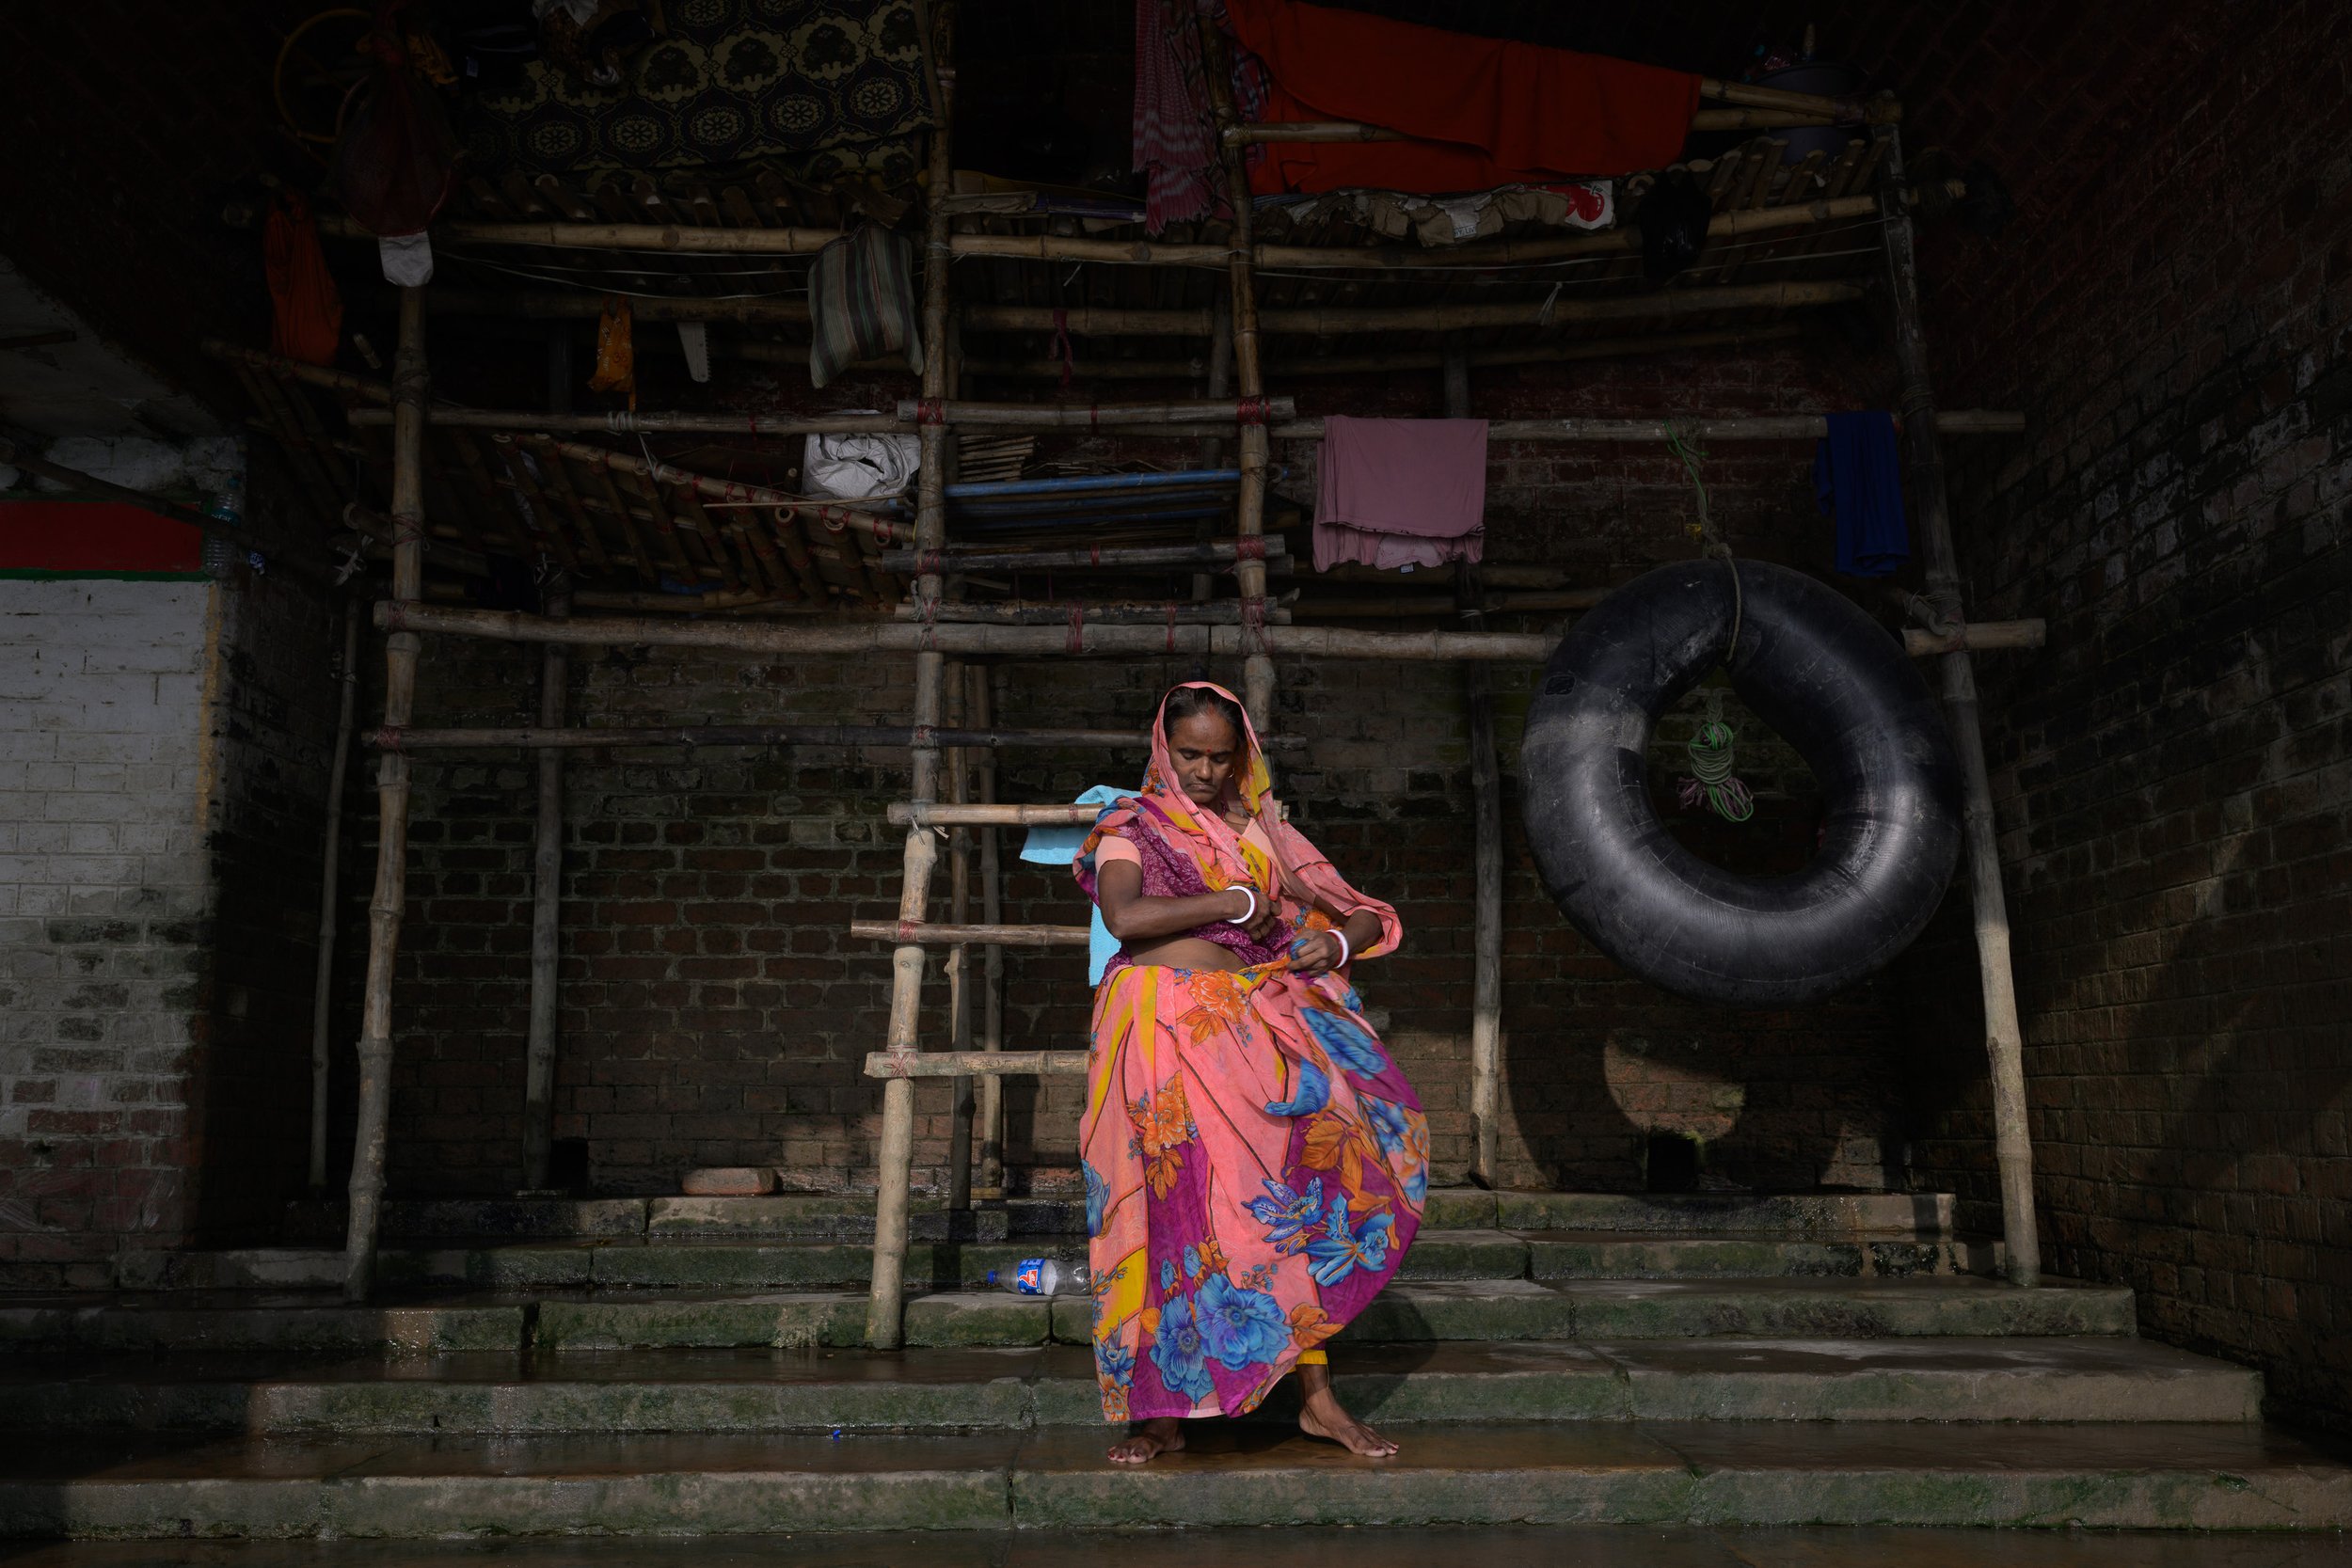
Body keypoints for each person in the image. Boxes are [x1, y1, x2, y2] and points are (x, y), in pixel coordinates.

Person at [1073, 680, 1429, 1464]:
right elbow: (1125, 917)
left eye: (1219, 755)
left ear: (1242, 756)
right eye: (1190, 754)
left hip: (1243, 1032)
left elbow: (1361, 910)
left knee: (1271, 1210)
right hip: (1155, 1031)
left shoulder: (1263, 830)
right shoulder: (1131, 826)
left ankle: (1317, 1401)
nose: (1203, 771)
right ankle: (1162, 1409)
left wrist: (1332, 946)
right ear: (1165, 748)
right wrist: (1232, 901)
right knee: (1162, 1216)